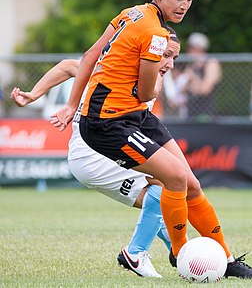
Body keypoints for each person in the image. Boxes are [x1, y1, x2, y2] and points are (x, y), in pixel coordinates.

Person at [51, 0, 252, 279]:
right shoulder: (155, 34)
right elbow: (148, 92)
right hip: (107, 123)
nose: (183, 5)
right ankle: (181, 254)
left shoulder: (131, 13)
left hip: (134, 116)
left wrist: (70, 104)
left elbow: (91, 55)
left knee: (190, 182)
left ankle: (227, 257)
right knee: (174, 179)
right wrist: (149, 72)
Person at [10, 33, 181, 278]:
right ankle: (137, 253)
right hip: (93, 154)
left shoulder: (150, 77)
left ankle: (177, 250)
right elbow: (69, 66)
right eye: (165, 55)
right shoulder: (121, 72)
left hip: (99, 151)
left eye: (174, 57)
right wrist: (34, 94)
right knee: (166, 183)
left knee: (163, 198)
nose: (169, 64)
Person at [183, 32, 222, 118]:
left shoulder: (211, 63)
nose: (188, 51)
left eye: (191, 48)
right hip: (190, 114)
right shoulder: (191, 66)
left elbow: (205, 89)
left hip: (205, 114)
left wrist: (192, 77)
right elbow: (184, 90)